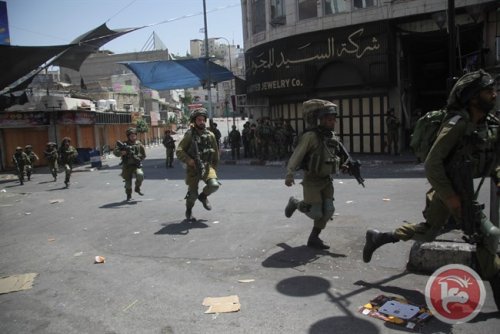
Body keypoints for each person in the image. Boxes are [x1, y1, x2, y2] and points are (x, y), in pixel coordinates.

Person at [363, 69, 500, 310]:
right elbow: (432, 163)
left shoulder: (489, 124)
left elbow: (494, 159)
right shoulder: (457, 124)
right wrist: (451, 197)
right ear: (473, 97)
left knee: (427, 233)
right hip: (449, 192)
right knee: (486, 236)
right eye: (489, 91)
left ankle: (380, 237)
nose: (494, 95)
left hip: (460, 191)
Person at [284, 99, 351, 249]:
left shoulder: (332, 137)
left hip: (327, 180)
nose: (332, 122)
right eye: (329, 119)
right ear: (320, 120)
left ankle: (314, 238)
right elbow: (298, 154)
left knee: (328, 211)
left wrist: (345, 165)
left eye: (334, 120)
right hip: (312, 181)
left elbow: (335, 157)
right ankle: (295, 202)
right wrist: (290, 173)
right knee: (315, 213)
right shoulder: (311, 136)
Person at [176, 108, 220, 220]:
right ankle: (189, 210)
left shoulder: (210, 135)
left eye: (203, 120)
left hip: (207, 166)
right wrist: (189, 160)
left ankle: (203, 196)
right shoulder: (190, 135)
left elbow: (215, 153)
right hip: (193, 168)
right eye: (199, 120)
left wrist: (214, 168)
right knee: (192, 195)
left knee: (214, 185)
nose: (202, 122)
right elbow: (179, 150)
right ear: (194, 121)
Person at [113, 127, 146, 201]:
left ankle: (137, 188)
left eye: (134, 135)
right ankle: (129, 195)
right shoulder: (124, 144)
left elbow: (144, 155)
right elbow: (115, 152)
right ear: (128, 136)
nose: (133, 137)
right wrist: (122, 152)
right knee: (128, 182)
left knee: (140, 175)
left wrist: (138, 158)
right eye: (131, 136)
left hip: (136, 165)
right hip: (127, 166)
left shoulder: (139, 144)